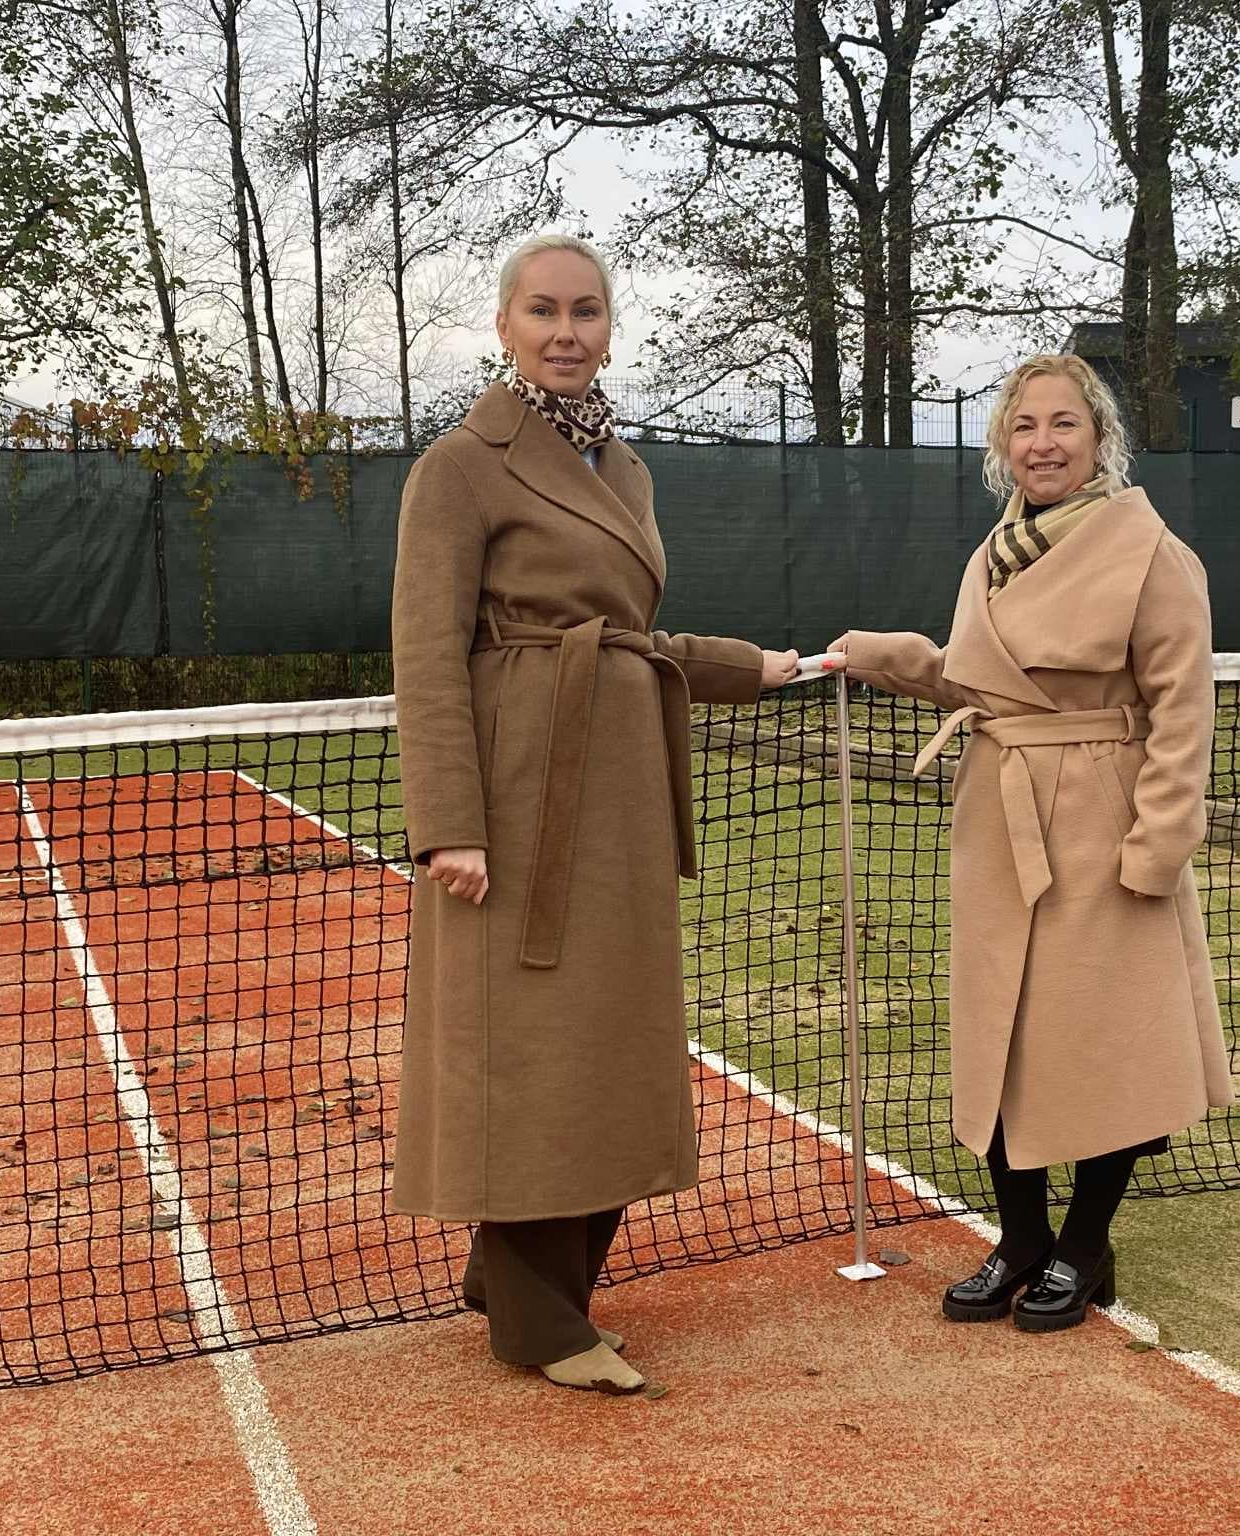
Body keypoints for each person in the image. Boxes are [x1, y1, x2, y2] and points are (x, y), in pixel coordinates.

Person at [388, 232, 799, 1394]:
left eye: (585, 311)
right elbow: (426, 655)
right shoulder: (459, 465)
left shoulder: (625, 467)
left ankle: (512, 1274)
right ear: (504, 324)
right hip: (518, 791)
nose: (565, 331)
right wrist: (448, 822)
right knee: (527, 1042)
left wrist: (743, 666)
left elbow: (630, 635)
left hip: (621, 780)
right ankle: (537, 1317)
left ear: (609, 325)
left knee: (610, 1037)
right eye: (542, 312)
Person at [829, 354, 1232, 1332]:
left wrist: (1158, 844)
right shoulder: (993, 552)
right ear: (1000, 447)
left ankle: (1085, 1247)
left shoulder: (1151, 553)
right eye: (1023, 427)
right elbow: (984, 684)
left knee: (1099, 1042)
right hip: (995, 818)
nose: (1041, 444)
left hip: (1101, 820)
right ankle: (1020, 1240)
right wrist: (894, 661)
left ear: (1099, 440)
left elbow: (1182, 710)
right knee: (1001, 1034)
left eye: (1062, 425)